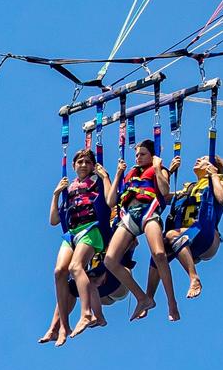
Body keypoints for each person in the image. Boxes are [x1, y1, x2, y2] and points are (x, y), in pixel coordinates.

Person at [41, 147, 111, 344]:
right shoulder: (68, 189)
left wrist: (104, 177)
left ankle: (86, 313)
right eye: (80, 162)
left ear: (92, 166)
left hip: (91, 229)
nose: (83, 165)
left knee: (75, 267)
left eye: (87, 162)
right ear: (73, 166)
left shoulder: (97, 181)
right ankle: (63, 327)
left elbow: (110, 201)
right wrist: (56, 195)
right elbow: (54, 220)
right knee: (59, 272)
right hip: (71, 232)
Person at [105, 137, 176, 322]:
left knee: (159, 254)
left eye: (143, 154)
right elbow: (111, 202)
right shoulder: (130, 173)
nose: (138, 157)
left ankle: (172, 303)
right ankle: (142, 298)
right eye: (136, 154)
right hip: (129, 215)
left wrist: (159, 167)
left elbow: (164, 189)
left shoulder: (159, 169)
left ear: (152, 155)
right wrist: (118, 174)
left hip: (149, 211)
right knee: (110, 260)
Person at [156, 155, 223, 302]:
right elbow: (162, 197)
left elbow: (222, 198)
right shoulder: (188, 188)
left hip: (206, 236)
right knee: (159, 248)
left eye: (203, 159)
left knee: (172, 234)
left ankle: (194, 278)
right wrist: (168, 171)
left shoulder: (218, 182)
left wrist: (214, 175)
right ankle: (149, 297)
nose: (198, 159)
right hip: (187, 238)